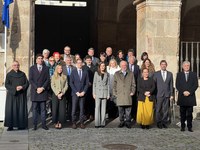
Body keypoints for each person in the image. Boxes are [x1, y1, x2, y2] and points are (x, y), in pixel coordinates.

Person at [4, 61, 29, 131]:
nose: (16, 66)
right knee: (11, 110)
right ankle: (10, 126)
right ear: (12, 66)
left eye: (17, 65)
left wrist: (22, 87)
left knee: (21, 110)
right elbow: (7, 84)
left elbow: (27, 83)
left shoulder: (23, 74)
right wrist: (15, 89)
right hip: (12, 95)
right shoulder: (9, 74)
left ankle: (21, 125)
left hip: (21, 95)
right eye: (15, 65)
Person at [176, 61, 198, 132]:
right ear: (182, 67)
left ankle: (189, 127)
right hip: (182, 97)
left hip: (190, 97)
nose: (186, 67)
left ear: (189, 66)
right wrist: (183, 92)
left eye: (188, 65)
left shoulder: (194, 74)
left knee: (189, 113)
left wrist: (189, 92)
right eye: (185, 66)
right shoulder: (179, 74)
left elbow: (195, 85)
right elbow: (177, 85)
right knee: (182, 113)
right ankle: (182, 126)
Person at [29, 54, 50, 130]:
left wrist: (43, 88)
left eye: (41, 58)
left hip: (43, 91)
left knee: (43, 109)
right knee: (34, 109)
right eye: (39, 58)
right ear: (36, 60)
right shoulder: (32, 68)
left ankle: (44, 124)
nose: (40, 60)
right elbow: (30, 79)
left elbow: (48, 79)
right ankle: (35, 125)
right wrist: (37, 88)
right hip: (35, 91)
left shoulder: (46, 68)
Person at [113, 61, 136, 128]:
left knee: (128, 110)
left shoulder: (131, 74)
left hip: (128, 94)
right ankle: (121, 122)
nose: (124, 66)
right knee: (120, 110)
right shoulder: (116, 74)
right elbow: (114, 85)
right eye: (122, 65)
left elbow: (133, 84)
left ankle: (128, 122)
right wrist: (115, 93)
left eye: (125, 65)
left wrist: (133, 92)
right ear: (120, 66)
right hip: (120, 95)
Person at [154, 60, 174, 129]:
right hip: (159, 94)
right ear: (160, 65)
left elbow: (171, 85)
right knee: (158, 109)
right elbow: (154, 85)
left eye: (164, 64)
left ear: (166, 65)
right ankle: (159, 122)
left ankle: (164, 122)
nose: (163, 65)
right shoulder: (156, 74)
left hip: (167, 94)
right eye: (162, 64)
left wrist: (171, 94)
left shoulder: (170, 74)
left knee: (166, 109)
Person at [70, 59, 89, 129]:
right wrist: (76, 92)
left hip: (82, 93)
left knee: (82, 108)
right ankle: (74, 122)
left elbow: (87, 83)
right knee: (74, 109)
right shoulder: (73, 71)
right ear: (76, 64)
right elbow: (71, 83)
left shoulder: (85, 72)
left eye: (80, 63)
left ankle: (81, 122)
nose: (79, 64)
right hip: (75, 94)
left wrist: (84, 92)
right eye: (78, 63)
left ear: (82, 64)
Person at [51, 65, 68, 129]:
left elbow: (66, 86)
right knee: (55, 109)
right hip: (55, 95)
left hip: (62, 95)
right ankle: (56, 122)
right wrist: (57, 93)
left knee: (62, 109)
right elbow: (52, 85)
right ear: (56, 69)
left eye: (61, 68)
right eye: (58, 68)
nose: (60, 69)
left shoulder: (65, 77)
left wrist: (62, 93)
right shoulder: (53, 77)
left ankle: (60, 122)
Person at [93, 62, 110, 128]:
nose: (103, 67)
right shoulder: (96, 73)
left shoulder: (107, 74)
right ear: (99, 67)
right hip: (97, 92)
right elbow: (94, 84)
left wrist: (108, 94)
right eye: (101, 66)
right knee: (97, 108)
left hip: (104, 93)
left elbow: (108, 85)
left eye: (104, 66)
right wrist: (94, 93)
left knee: (103, 108)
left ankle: (102, 123)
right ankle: (97, 123)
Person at [83, 55, 97, 120]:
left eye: (90, 60)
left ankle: (92, 114)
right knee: (85, 101)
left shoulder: (95, 67)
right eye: (87, 60)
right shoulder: (83, 67)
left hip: (92, 87)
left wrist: (92, 83)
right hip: (85, 87)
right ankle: (86, 114)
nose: (89, 61)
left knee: (92, 101)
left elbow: (96, 76)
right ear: (85, 61)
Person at [62, 56, 75, 121]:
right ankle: (64, 116)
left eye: (70, 60)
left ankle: (69, 116)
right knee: (64, 102)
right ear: (65, 61)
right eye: (67, 60)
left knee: (70, 102)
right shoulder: (62, 68)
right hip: (64, 88)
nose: (69, 62)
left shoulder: (74, 68)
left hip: (72, 88)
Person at [128, 56, 140, 120]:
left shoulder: (137, 67)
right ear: (128, 60)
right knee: (128, 101)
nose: (132, 60)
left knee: (134, 101)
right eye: (131, 59)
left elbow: (138, 77)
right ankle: (128, 116)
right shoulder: (126, 66)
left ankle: (134, 115)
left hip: (134, 86)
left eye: (133, 59)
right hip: (127, 87)